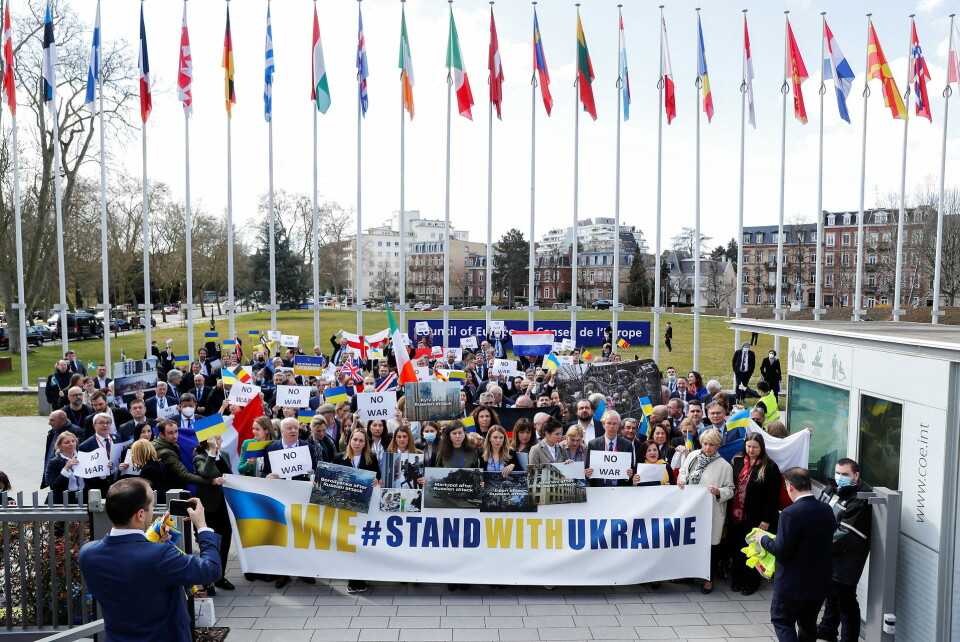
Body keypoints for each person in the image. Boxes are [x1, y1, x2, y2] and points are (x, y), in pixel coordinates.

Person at [79, 479, 221, 642]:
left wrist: (150, 545)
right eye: (152, 506)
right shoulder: (159, 556)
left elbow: (132, 570)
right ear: (140, 514)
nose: (153, 511)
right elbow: (211, 570)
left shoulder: (87, 553)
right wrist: (202, 527)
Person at [753, 468, 836, 642]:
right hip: (819, 581)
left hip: (793, 583)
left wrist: (763, 539)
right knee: (808, 624)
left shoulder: (790, 513)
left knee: (782, 620)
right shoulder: (827, 509)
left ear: (789, 486)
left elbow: (781, 550)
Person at [817, 458, 873, 642]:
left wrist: (816, 544)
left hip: (846, 559)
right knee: (831, 595)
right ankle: (827, 629)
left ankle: (848, 639)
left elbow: (847, 534)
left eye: (845, 474)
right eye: (838, 473)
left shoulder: (861, 498)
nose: (840, 477)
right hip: (830, 554)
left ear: (856, 475)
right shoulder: (833, 488)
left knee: (845, 601)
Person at [677, 428, 734, 594]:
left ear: (718, 446)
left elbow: (730, 490)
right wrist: (681, 480)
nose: (707, 447)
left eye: (711, 444)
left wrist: (718, 492)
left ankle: (708, 579)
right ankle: (687, 573)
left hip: (711, 512)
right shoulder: (693, 456)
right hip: (691, 509)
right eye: (705, 443)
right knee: (690, 543)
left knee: (710, 547)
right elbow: (683, 472)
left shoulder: (724, 466)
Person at [727, 433, 782, 596]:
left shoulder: (770, 466)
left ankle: (751, 583)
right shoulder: (737, 461)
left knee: (753, 551)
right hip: (736, 514)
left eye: (755, 447)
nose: (751, 450)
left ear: (761, 448)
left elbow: (773, 497)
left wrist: (767, 519)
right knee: (737, 549)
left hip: (756, 517)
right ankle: (736, 580)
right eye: (749, 446)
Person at [333, 429, 383, 594]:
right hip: (344, 506)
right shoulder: (339, 458)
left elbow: (378, 479)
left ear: (365, 443)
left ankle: (360, 577)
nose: (357, 443)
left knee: (360, 542)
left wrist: (377, 482)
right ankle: (352, 578)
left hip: (363, 507)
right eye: (355, 439)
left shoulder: (371, 458)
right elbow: (330, 478)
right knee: (349, 543)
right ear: (350, 440)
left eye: (361, 441)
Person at [193, 434, 235, 595]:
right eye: (217, 439)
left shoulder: (224, 455)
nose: (221, 441)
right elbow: (206, 473)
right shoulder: (200, 457)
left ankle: (220, 576)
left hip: (224, 506)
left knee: (224, 542)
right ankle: (207, 580)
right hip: (210, 509)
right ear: (208, 441)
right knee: (209, 543)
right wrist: (211, 452)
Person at [152, 420, 225, 491]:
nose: (175, 436)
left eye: (176, 431)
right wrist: (212, 481)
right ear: (161, 434)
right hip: (168, 492)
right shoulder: (166, 452)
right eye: (170, 433)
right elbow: (183, 475)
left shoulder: (168, 444)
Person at [584, 411, 635, 487]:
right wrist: (587, 473)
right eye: (609, 423)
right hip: (599, 489)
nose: (612, 426)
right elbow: (588, 468)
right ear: (603, 424)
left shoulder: (627, 445)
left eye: (614, 424)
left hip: (620, 488)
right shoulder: (593, 444)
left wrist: (629, 475)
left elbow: (630, 469)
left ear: (619, 425)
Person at [44, 432, 85, 504]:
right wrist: (66, 469)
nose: (71, 444)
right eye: (67, 442)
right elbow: (53, 486)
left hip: (83, 497)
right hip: (64, 499)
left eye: (73, 441)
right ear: (59, 446)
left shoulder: (83, 458)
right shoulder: (54, 462)